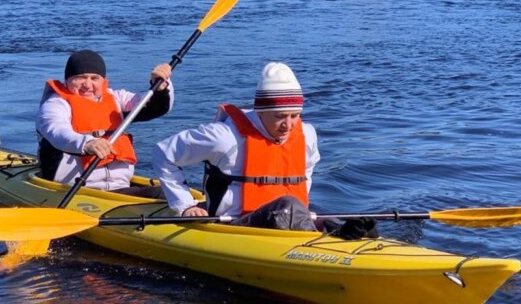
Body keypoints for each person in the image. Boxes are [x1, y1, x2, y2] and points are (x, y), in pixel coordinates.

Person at [152, 62, 377, 239]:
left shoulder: (307, 134)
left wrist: (304, 215)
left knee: (355, 226)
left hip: (287, 220)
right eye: (280, 116)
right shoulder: (224, 137)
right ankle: (319, 239)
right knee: (288, 205)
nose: (288, 125)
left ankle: (339, 233)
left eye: (294, 115)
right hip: (235, 226)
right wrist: (185, 206)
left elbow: (307, 170)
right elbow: (163, 153)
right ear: (260, 111)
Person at [36, 49, 172, 199]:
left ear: (103, 81)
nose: (87, 84)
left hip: (118, 188)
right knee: (162, 195)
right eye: (80, 78)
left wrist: (160, 88)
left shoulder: (117, 98)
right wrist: (87, 143)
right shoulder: (55, 105)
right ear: (67, 80)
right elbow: (57, 132)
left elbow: (155, 106)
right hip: (71, 189)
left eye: (95, 78)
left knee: (170, 192)